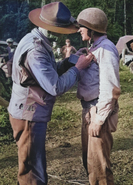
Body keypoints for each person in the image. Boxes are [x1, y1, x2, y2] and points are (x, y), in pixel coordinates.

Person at [7, 2, 94, 185]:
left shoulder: (35, 40)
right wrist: (77, 68)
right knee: (32, 173)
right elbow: (55, 86)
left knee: (32, 164)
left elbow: (48, 71)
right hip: (29, 114)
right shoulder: (36, 51)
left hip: (28, 111)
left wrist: (71, 60)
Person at [76, 7, 121, 185]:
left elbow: (111, 89)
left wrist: (99, 119)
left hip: (97, 111)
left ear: (92, 29)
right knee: (90, 163)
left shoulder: (106, 49)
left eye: (82, 26)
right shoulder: (96, 47)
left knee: (99, 168)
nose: (79, 29)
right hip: (89, 109)